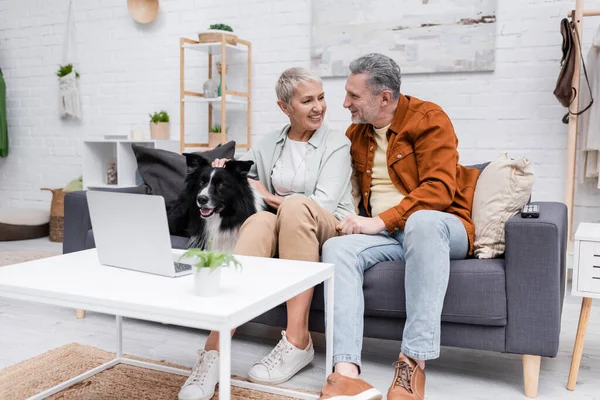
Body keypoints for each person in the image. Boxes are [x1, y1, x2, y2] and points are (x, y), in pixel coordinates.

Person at [178, 67, 356, 400]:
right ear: (284, 107)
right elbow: (244, 178)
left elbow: (324, 203)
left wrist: (273, 197)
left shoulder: (337, 144)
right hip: (285, 222)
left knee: (294, 206)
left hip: (328, 224)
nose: (318, 107)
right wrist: (223, 169)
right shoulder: (272, 141)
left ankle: (298, 340)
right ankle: (214, 350)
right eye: (307, 101)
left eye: (320, 98)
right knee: (259, 222)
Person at [317, 53, 481, 400]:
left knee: (421, 222)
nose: (344, 103)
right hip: (390, 236)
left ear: (385, 98)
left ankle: (412, 363)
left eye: (353, 96)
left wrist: (379, 221)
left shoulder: (429, 119)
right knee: (336, 248)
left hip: (440, 228)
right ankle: (345, 373)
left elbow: (438, 190)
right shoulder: (357, 134)